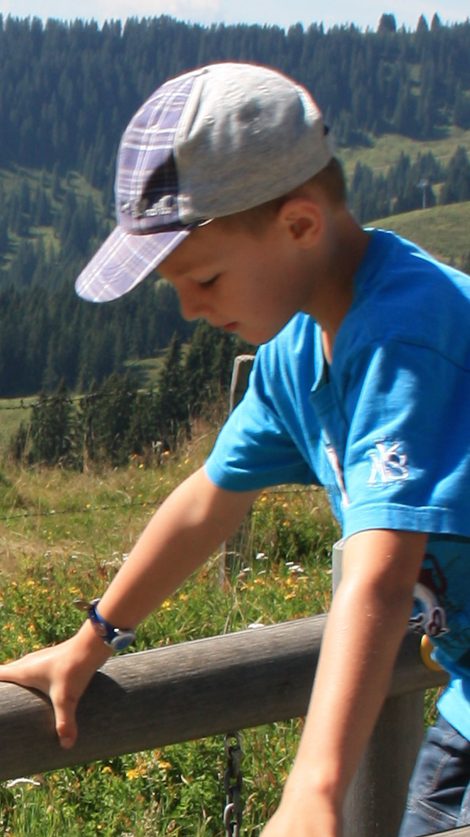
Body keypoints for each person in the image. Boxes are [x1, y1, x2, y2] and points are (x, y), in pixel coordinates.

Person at [0, 62, 469, 837]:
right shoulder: (297, 351)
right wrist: (92, 640)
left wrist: (315, 789)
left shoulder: (404, 335)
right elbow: (208, 501)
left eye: (206, 277)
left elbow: (381, 579)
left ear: (299, 224)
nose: (189, 309)